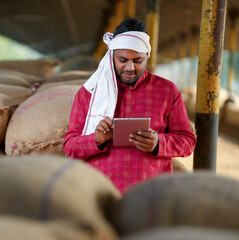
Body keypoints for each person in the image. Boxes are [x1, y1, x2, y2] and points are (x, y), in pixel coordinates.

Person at [63, 18, 196, 194]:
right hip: (99, 193)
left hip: (150, 195)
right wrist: (96, 139)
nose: (130, 67)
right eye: (123, 60)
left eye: (138, 60)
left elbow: (187, 142)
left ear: (147, 56)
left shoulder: (167, 91)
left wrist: (158, 143)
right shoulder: (90, 93)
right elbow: (69, 146)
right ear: (111, 56)